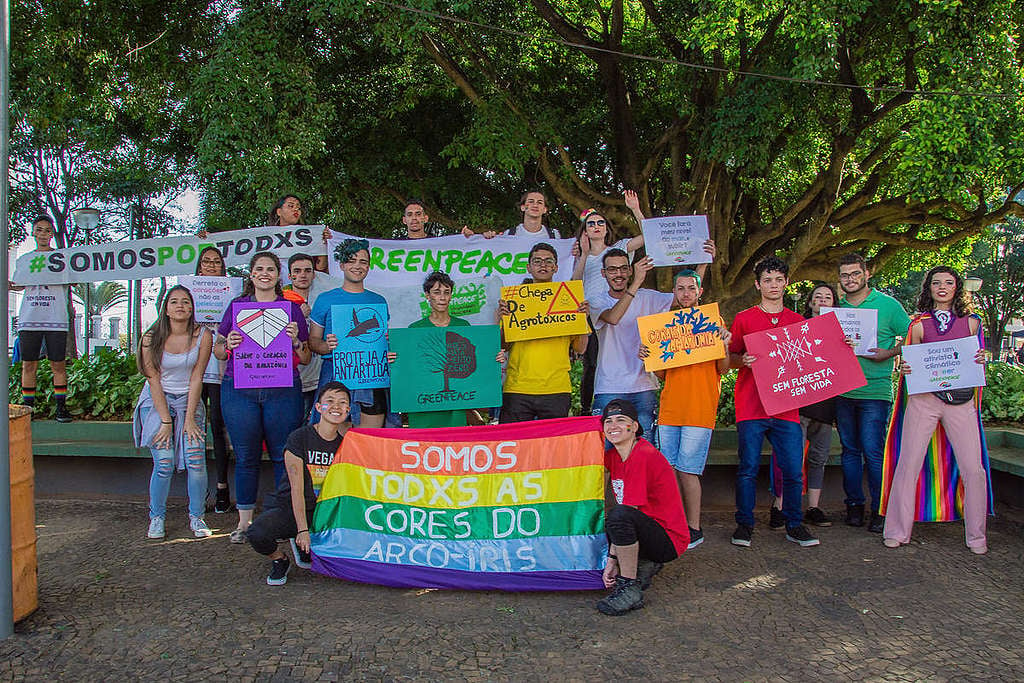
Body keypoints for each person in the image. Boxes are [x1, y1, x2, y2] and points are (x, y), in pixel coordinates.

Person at [883, 267, 991, 554]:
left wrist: (982, 359)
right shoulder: (917, 324)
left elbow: (978, 363)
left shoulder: (972, 323)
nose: (942, 287)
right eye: (936, 282)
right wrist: (906, 367)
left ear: (957, 288)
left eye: (948, 282)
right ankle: (896, 530)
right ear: (928, 288)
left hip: (961, 400)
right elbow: (909, 365)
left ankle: (977, 536)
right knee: (908, 463)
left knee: (973, 468)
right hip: (924, 399)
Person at [214, 252, 311, 544]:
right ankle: (244, 522)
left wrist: (295, 341)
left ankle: (284, 517)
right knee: (245, 455)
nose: (265, 273)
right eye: (259, 269)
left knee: (285, 454)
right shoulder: (237, 306)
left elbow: (305, 356)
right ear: (252, 275)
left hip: (283, 389)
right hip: (239, 389)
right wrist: (228, 344)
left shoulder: (291, 309)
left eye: (271, 269)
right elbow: (218, 350)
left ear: (278, 275)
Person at [727, 256, 819, 548]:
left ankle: (794, 524)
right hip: (751, 406)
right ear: (758, 284)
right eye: (768, 280)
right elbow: (728, 358)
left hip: (786, 408)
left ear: (786, 283)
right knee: (748, 468)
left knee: (793, 470)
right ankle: (744, 524)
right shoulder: (744, 318)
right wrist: (743, 360)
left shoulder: (798, 322)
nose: (774, 285)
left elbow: (811, 362)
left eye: (779, 279)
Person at [644, 269, 732, 550]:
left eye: (690, 288)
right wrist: (648, 354)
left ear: (700, 292)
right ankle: (671, 521)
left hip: (699, 408)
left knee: (688, 471)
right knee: (668, 470)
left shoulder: (712, 321)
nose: (685, 293)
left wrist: (724, 345)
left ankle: (695, 528)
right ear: (674, 292)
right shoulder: (665, 326)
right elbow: (661, 374)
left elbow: (724, 368)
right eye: (680, 288)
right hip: (670, 408)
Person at [835, 253, 911, 532]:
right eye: (845, 275)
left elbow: (915, 337)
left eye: (855, 274)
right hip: (842, 391)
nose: (850, 279)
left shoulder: (889, 305)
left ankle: (881, 510)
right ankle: (854, 506)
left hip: (875, 391)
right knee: (849, 452)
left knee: (873, 452)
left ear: (867, 274)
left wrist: (889, 353)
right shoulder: (836, 307)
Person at [248, 381, 351, 584]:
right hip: (293, 507)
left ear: (348, 410)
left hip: (325, 513)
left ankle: (309, 547)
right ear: (318, 407)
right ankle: (280, 559)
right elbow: (296, 489)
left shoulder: (346, 445)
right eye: (330, 401)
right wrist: (302, 530)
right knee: (257, 533)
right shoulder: (299, 438)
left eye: (342, 403)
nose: (336, 407)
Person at [133, 285, 214, 540]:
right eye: (174, 302)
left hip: (190, 400)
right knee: (164, 463)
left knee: (196, 461)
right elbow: (153, 380)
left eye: (186, 302)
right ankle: (156, 517)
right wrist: (166, 421)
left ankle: (197, 517)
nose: (180, 306)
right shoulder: (150, 337)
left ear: (192, 308)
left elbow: (197, 378)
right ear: (166, 308)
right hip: (157, 402)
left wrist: (190, 419)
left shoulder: (203, 335)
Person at [598, 399, 688, 616]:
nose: (613, 426)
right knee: (606, 517)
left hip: (669, 540)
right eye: (608, 421)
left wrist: (612, 561)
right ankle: (645, 563)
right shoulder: (613, 456)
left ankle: (629, 586)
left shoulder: (642, 455)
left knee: (618, 517)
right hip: (648, 533)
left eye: (621, 420)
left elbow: (630, 510)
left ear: (635, 427)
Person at [388, 271, 506, 428]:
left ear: (451, 296)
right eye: (437, 292)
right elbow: (408, 367)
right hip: (423, 407)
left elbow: (478, 360)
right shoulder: (415, 329)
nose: (442, 297)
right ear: (427, 296)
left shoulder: (463, 327)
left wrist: (494, 358)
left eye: (446, 292)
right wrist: (395, 359)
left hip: (456, 407)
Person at [767, 283, 840, 528]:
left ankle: (814, 507)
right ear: (810, 303)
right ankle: (780, 506)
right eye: (817, 297)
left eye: (827, 297)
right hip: (798, 403)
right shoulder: (796, 326)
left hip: (826, 404)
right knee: (791, 456)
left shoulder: (843, 331)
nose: (822, 300)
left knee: (819, 457)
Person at [571, 193, 646, 415]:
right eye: (591, 224)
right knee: (592, 364)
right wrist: (583, 255)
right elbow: (573, 285)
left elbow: (650, 236)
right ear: (585, 230)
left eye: (600, 222)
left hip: (621, 309)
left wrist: (635, 208)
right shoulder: (576, 255)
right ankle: (587, 410)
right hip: (593, 315)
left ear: (606, 228)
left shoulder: (621, 247)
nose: (596, 226)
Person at [498, 243, 589, 422]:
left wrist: (582, 319)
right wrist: (503, 320)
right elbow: (503, 345)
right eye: (537, 261)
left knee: (553, 449)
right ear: (529, 268)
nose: (543, 265)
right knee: (515, 446)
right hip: (517, 388)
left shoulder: (569, 300)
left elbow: (581, 349)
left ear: (556, 268)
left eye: (549, 261)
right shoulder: (513, 301)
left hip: (556, 388)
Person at [589, 251, 671, 437]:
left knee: (645, 445)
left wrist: (702, 264)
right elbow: (613, 317)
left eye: (623, 268)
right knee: (606, 447)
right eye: (612, 269)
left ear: (630, 270)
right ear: (603, 273)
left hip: (644, 386)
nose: (619, 274)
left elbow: (686, 298)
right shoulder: (596, 301)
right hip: (609, 387)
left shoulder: (649, 296)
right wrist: (635, 285)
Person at [309, 239, 390, 428]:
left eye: (363, 262)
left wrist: (387, 345)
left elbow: (380, 340)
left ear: (368, 267)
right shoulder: (325, 300)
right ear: (342, 265)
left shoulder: (378, 301)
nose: (357, 266)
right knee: (334, 437)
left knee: (370, 439)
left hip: (372, 375)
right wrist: (325, 345)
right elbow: (313, 341)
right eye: (352, 261)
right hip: (335, 372)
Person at [11, 216, 73, 422]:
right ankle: (28, 408)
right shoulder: (25, 260)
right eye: (39, 230)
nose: (43, 234)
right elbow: (19, 284)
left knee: (58, 364)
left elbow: (76, 278)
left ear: (52, 234)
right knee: (28, 364)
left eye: (47, 230)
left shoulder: (64, 259)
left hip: (56, 318)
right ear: (34, 233)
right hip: (30, 318)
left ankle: (61, 408)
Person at [193, 246, 234, 513]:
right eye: (206, 262)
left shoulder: (232, 295)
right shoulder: (186, 294)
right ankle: (196, 490)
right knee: (192, 429)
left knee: (219, 429)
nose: (211, 265)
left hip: (219, 370)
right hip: (193, 370)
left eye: (216, 262)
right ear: (198, 268)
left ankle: (222, 488)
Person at [284, 253, 324, 419]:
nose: (303, 275)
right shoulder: (280, 302)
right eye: (297, 271)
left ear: (314, 275)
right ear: (290, 275)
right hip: (291, 376)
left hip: (318, 375)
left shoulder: (322, 301)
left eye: (307, 271)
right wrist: (296, 315)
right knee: (293, 424)